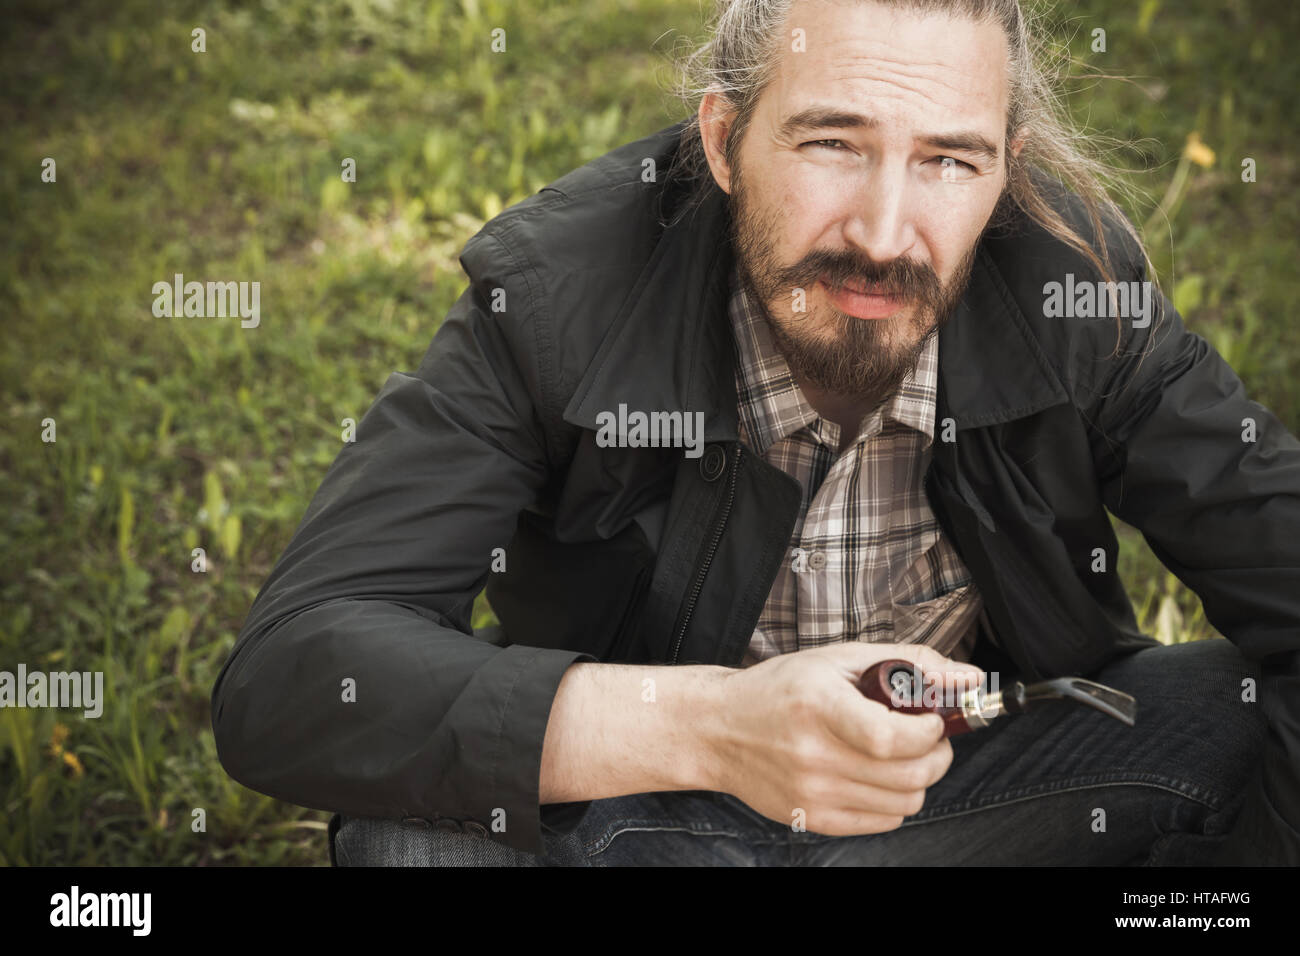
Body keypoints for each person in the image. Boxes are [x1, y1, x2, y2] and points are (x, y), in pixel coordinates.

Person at [210, 0, 1300, 866]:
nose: (882, 233)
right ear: (725, 139)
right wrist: (714, 724)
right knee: (420, 826)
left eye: (947, 162)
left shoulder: (1082, 300)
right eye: (833, 142)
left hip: (974, 805)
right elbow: (297, 671)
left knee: (1225, 708)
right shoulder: (553, 300)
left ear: (1003, 172)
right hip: (633, 817)